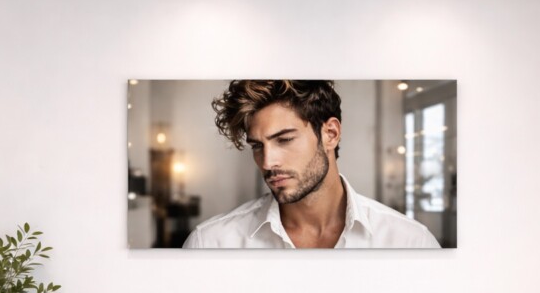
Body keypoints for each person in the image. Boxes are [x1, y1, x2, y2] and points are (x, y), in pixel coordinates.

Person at [183, 80, 440, 249]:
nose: (268, 162)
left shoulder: (409, 242)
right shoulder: (211, 243)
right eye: (257, 146)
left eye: (284, 139)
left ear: (330, 134)